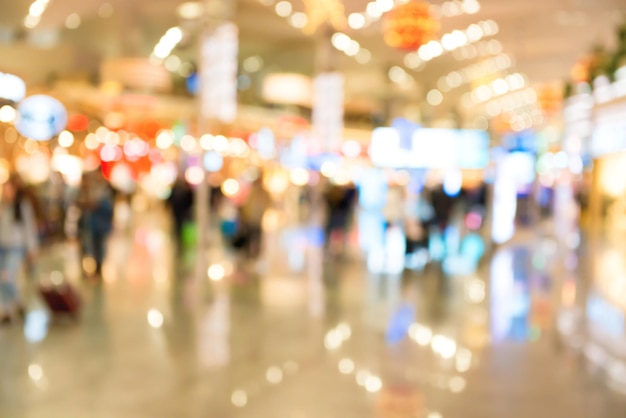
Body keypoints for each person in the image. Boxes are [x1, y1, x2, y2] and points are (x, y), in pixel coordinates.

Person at [0, 176, 39, 324]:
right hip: (1, 247)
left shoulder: (22, 206)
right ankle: (6, 311)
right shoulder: (3, 206)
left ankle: (18, 303)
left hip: (15, 246)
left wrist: (32, 248)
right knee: (1, 280)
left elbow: (29, 228)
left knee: (7, 277)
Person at [239, 176, 271, 258]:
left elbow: (267, 203)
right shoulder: (252, 191)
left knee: (256, 237)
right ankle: (249, 253)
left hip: (257, 218)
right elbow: (248, 204)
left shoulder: (263, 192)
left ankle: (256, 254)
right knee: (250, 236)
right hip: (251, 218)